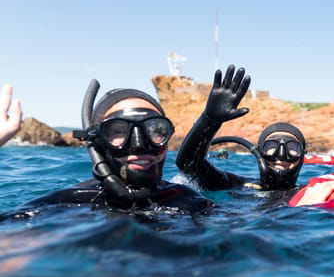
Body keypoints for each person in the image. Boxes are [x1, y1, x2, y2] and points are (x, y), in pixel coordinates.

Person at [21, 80, 211, 213]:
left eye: (154, 129)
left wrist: (209, 121)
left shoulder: (186, 200)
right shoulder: (67, 203)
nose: (138, 144)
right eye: (119, 131)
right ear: (97, 141)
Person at [176, 65, 306, 195]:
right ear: (259, 152)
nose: (281, 155)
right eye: (272, 146)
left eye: (292, 148)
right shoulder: (237, 185)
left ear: (303, 156)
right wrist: (209, 120)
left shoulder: (313, 193)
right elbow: (188, 165)